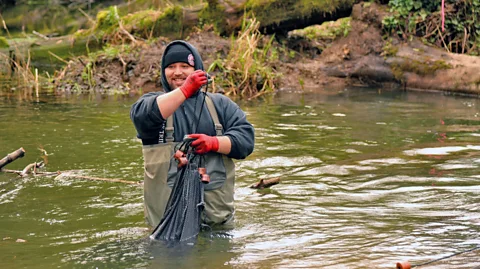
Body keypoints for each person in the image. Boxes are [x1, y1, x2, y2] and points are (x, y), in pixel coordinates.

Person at [130, 40, 255, 229]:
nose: (178, 72)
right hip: (166, 231)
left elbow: (246, 141)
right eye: (171, 67)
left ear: (197, 69)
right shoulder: (150, 103)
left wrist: (214, 143)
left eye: (185, 66)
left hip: (218, 227)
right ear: (163, 72)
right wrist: (185, 90)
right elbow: (143, 116)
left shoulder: (221, 105)